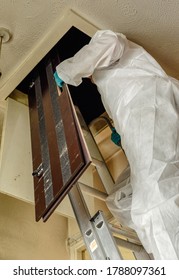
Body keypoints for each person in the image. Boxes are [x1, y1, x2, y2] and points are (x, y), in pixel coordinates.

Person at [54, 30, 179, 259]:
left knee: (155, 200)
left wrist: (66, 70)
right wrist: (123, 135)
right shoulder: (106, 80)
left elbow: (110, 41)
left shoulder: (108, 45)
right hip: (144, 117)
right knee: (122, 201)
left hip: (149, 104)